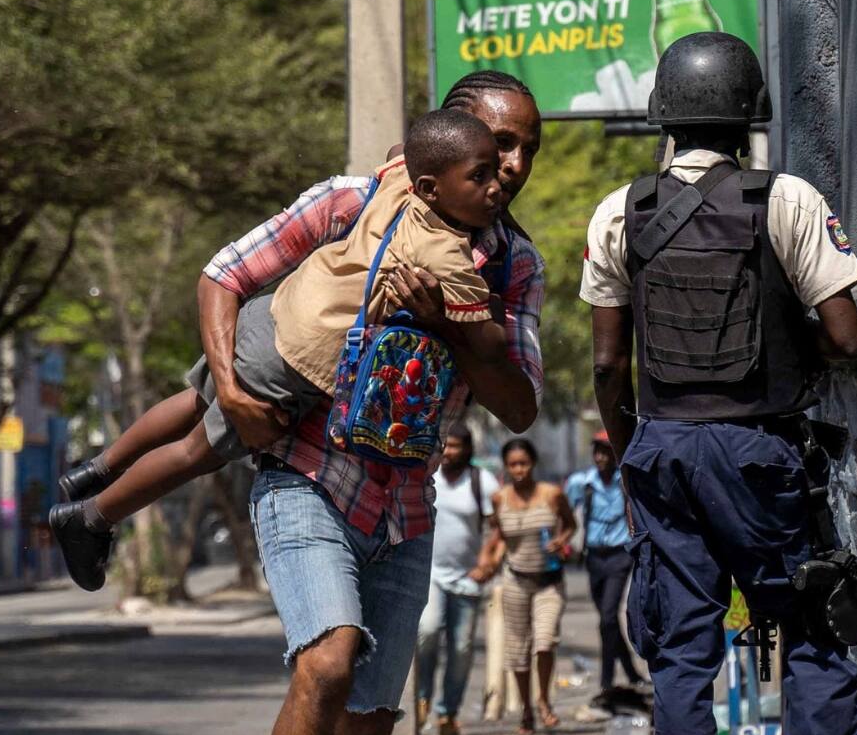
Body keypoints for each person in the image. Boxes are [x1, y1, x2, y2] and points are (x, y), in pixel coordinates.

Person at [100, 70, 543, 735]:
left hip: (407, 505)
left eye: (528, 148)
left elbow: (522, 404)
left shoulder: (509, 264)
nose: (514, 164)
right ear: (446, 147)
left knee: (374, 714)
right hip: (305, 476)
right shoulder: (351, 201)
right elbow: (228, 272)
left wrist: (453, 324)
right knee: (329, 657)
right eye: (500, 144)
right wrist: (226, 383)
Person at [582, 32, 857, 735]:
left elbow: (605, 364)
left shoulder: (617, 213)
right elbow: (849, 336)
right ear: (751, 116)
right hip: (762, 453)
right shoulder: (785, 198)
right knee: (816, 633)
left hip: (663, 452)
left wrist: (638, 444)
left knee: (681, 652)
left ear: (663, 118)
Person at [47, 110, 510, 590]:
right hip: (295, 366)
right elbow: (489, 344)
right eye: (480, 176)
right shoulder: (447, 253)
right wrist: (491, 308)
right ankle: (90, 519)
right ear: (433, 187)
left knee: (194, 401)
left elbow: (399, 152)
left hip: (272, 315)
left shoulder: (399, 184)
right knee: (195, 452)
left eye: (494, 172)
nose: (497, 186)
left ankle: (92, 472)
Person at [474, 437, 577, 735]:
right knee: (518, 651)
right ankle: (527, 712)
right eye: (513, 464)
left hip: (549, 582)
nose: (519, 469)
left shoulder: (552, 494)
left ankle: (543, 700)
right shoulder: (500, 500)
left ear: (533, 464)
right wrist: (486, 563)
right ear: (505, 468)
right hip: (516, 579)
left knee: (545, 642)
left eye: (524, 463)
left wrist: (562, 539)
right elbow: (498, 537)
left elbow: (570, 524)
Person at [415, 430, 501, 735]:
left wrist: (487, 562)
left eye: (456, 446)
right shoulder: (428, 475)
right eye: (446, 445)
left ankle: (448, 712)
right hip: (431, 573)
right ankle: (421, 696)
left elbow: (498, 528)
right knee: (426, 630)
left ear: (467, 449)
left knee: (461, 648)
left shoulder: (482, 482)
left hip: (467, 577)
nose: (449, 451)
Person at [566, 430, 645, 709]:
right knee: (607, 620)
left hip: (620, 556)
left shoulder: (625, 481)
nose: (600, 457)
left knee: (608, 616)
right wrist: (560, 539)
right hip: (594, 557)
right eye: (597, 452)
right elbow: (563, 512)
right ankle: (633, 673)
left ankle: (606, 680)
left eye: (606, 451)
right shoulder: (581, 483)